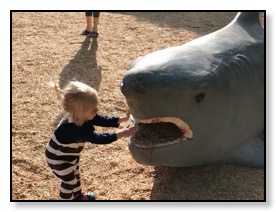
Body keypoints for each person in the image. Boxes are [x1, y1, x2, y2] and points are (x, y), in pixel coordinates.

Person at [45, 81, 138, 200]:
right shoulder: (74, 128)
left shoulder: (81, 116)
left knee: (76, 176)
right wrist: (122, 133)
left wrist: (123, 119)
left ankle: (78, 197)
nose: (97, 111)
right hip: (57, 159)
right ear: (80, 112)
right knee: (70, 181)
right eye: (94, 109)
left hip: (69, 156)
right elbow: (99, 139)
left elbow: (103, 120)